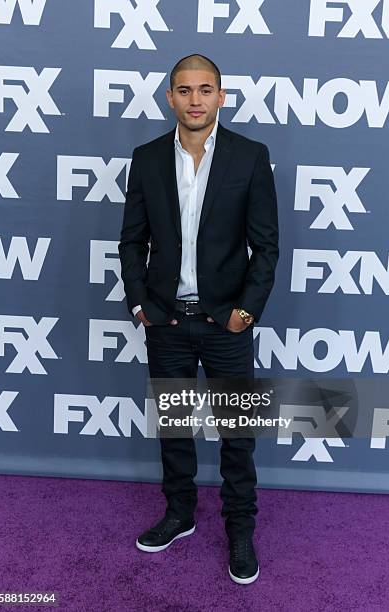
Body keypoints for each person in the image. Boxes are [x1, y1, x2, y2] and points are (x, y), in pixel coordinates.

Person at [118, 53, 279, 585]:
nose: (194, 100)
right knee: (175, 427)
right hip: (165, 320)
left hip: (224, 324)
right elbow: (131, 240)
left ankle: (240, 528)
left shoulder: (250, 157)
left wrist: (245, 313)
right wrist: (142, 304)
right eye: (184, 90)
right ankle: (180, 513)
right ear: (170, 97)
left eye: (205, 89)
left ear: (220, 96)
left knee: (237, 432)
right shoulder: (144, 158)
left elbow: (266, 246)